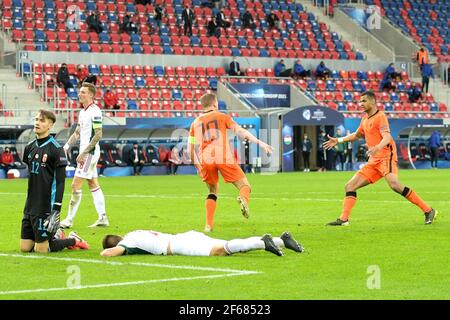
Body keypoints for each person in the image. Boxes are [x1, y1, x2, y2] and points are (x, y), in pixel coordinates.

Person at [323, 91, 437, 226]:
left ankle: (428, 210)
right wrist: (339, 140)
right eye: (360, 101)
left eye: (364, 101)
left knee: (394, 185)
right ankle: (343, 219)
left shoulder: (380, 116)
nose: (361, 104)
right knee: (350, 186)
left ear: (372, 102)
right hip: (374, 160)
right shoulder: (365, 119)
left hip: (386, 156)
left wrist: (377, 147)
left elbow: (387, 137)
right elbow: (357, 135)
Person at [188, 93, 273, 232]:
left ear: (202, 105)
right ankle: (243, 199)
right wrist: (260, 143)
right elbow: (241, 132)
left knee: (213, 191)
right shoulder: (223, 117)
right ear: (215, 104)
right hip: (223, 156)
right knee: (245, 186)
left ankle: (208, 226)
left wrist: (198, 166)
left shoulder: (195, 123)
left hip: (206, 159)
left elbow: (190, 149)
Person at [20, 109, 89, 253]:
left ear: (50, 125)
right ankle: (57, 235)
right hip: (30, 204)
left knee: (41, 250)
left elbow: (60, 182)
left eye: (42, 120)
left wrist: (56, 210)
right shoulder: (29, 147)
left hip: (45, 206)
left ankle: (73, 240)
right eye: (36, 120)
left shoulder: (56, 149)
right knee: (25, 248)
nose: (37, 123)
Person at [60, 83, 109, 229]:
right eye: (79, 91)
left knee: (75, 185)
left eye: (83, 92)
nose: (79, 94)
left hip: (90, 153)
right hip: (87, 153)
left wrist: (85, 152)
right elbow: (77, 132)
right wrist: (67, 146)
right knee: (93, 184)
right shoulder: (82, 112)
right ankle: (103, 218)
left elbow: (99, 134)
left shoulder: (95, 111)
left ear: (91, 95)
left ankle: (69, 220)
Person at [100, 229, 303, 257]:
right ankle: (281, 241)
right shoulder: (135, 232)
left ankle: (263, 243)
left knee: (220, 251)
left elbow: (108, 254)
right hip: (185, 235)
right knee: (229, 244)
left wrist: (104, 253)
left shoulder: (127, 243)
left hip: (177, 246)